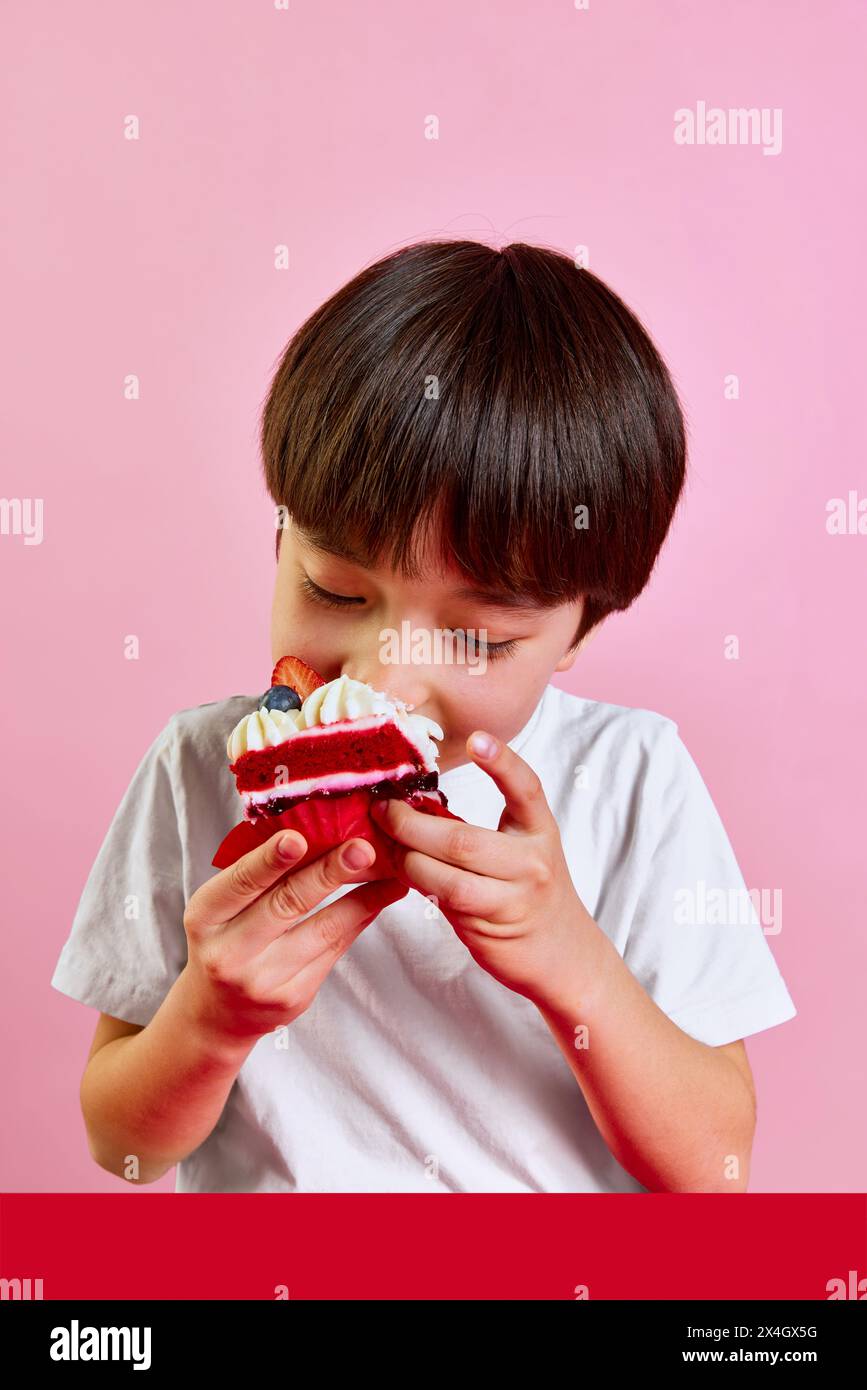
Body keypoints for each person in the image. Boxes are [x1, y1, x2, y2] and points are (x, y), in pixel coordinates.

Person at [51, 240, 796, 1193]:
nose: (388, 681)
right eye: (334, 591)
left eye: (477, 640)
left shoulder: (631, 776)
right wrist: (210, 1018)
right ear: (281, 538)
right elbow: (124, 1149)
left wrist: (573, 964)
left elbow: (713, 1171)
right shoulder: (199, 766)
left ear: (579, 629)